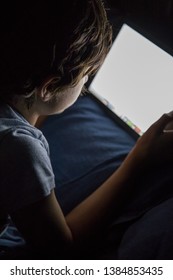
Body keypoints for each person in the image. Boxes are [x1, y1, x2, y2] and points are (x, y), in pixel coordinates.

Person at [0, 0, 173, 259]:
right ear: (48, 87)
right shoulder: (19, 147)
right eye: (86, 74)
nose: (85, 83)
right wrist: (139, 157)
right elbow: (60, 249)